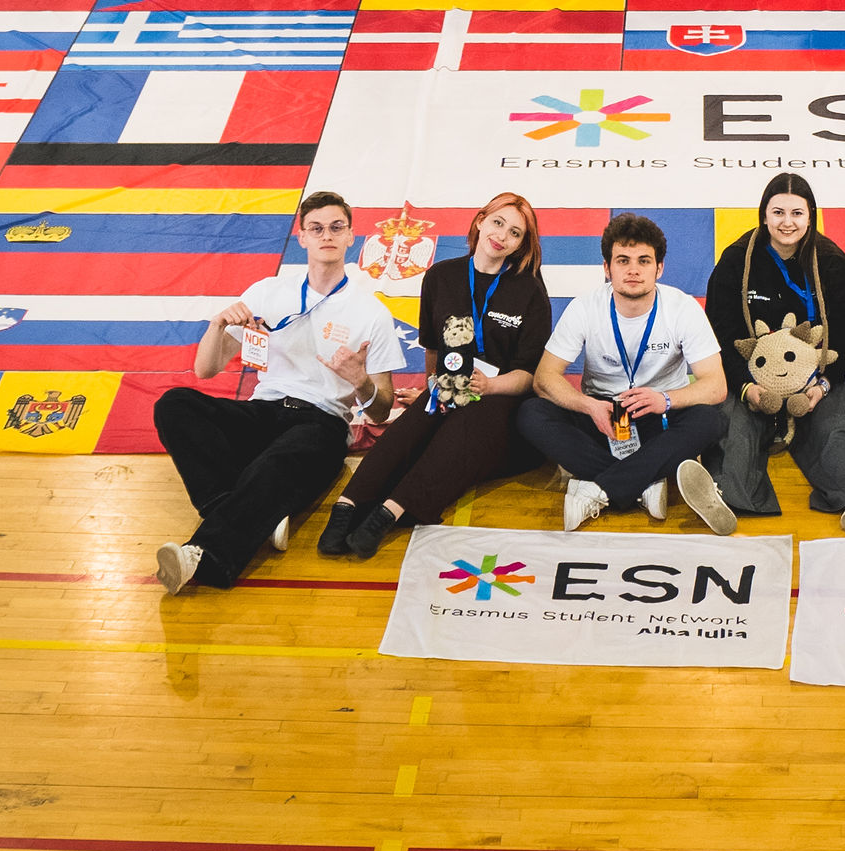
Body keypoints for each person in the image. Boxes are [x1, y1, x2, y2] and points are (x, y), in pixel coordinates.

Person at [153, 189, 403, 591]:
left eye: (336, 227)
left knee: (279, 461)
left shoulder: (371, 312)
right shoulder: (268, 292)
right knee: (174, 405)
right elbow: (205, 370)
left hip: (321, 423)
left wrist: (359, 380)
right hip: (263, 411)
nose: (327, 236)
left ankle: (204, 559)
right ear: (301, 236)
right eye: (316, 228)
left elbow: (380, 411)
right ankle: (254, 512)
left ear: (351, 235)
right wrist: (217, 326)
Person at [319, 194, 555, 561]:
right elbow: (432, 347)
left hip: (500, 400)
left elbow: (528, 376)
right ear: (479, 221)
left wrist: (490, 385)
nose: (502, 236)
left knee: (462, 428)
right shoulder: (441, 276)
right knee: (412, 426)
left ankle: (388, 514)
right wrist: (432, 385)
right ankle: (346, 507)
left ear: (521, 244)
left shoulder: (530, 292)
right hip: (450, 388)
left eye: (515, 233)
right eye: (497, 223)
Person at [702, 172, 845, 528]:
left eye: (797, 213)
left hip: (814, 379)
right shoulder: (735, 261)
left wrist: (822, 388)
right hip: (751, 378)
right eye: (778, 212)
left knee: (837, 427)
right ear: (764, 215)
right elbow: (720, 332)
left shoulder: (832, 262)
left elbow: (844, 338)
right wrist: (747, 387)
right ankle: (724, 502)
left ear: (811, 216)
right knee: (734, 428)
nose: (787, 223)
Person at [516, 214, 735, 533]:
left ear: (659, 268)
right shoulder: (585, 307)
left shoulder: (682, 307)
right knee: (531, 413)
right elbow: (545, 378)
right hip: (602, 417)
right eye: (623, 260)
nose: (633, 269)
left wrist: (665, 399)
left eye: (644, 260)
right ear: (607, 269)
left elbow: (716, 386)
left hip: (659, 417)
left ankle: (598, 488)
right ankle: (645, 482)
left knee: (710, 419)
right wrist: (588, 406)